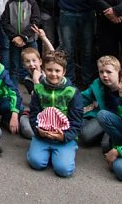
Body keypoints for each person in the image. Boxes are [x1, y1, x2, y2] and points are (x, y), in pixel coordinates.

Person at [26, 50, 84, 178]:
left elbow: (77, 121)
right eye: (49, 70)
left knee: (64, 170)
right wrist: (38, 130)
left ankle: (64, 152)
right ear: (44, 70)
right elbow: (34, 114)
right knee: (36, 163)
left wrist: (64, 136)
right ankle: (45, 151)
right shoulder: (38, 90)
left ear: (63, 72)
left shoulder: (72, 92)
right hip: (43, 135)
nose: (53, 74)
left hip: (64, 137)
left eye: (57, 71)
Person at [1, 0, 41, 82]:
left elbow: (35, 21)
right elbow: (5, 22)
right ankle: (14, 94)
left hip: (30, 40)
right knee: (14, 67)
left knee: (34, 67)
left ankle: (37, 91)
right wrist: (15, 37)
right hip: (14, 42)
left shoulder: (32, 3)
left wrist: (23, 37)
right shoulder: (9, 3)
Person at [79, 55, 121, 147]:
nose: (104, 75)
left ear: (118, 72)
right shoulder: (98, 84)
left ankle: (101, 134)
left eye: (108, 72)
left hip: (117, 121)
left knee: (106, 146)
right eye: (101, 72)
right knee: (85, 136)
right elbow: (82, 98)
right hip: (100, 116)